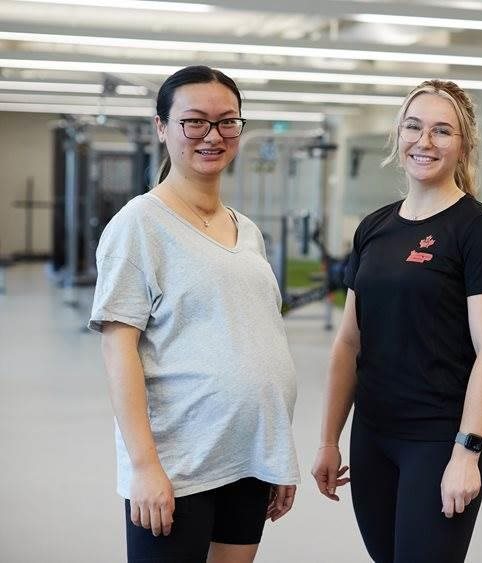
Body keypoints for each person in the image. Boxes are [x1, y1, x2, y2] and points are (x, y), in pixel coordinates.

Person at [88, 65, 298, 563]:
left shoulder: (246, 230)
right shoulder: (139, 224)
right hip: (177, 465)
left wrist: (275, 454)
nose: (213, 135)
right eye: (194, 122)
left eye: (228, 122)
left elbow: (257, 340)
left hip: (247, 459)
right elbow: (119, 349)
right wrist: (143, 466)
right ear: (162, 127)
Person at [311, 79, 482, 563]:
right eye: (414, 127)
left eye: (442, 131)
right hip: (373, 436)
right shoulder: (374, 228)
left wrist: (467, 452)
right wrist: (328, 440)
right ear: (398, 135)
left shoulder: (478, 230)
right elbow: (348, 342)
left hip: (439, 440)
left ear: (463, 144)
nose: (424, 142)